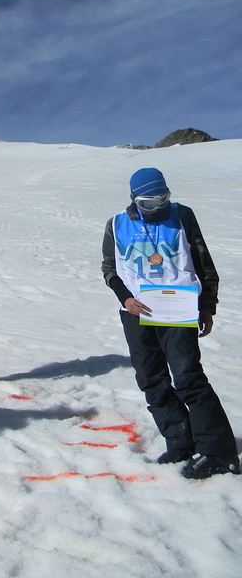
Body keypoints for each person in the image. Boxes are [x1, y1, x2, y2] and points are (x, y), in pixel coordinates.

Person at [102, 167, 239, 479]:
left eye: (163, 199)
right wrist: (125, 299)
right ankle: (180, 442)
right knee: (151, 379)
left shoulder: (182, 216)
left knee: (188, 377)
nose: (157, 207)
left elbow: (204, 261)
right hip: (138, 313)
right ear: (134, 199)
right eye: (149, 203)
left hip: (179, 309)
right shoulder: (117, 223)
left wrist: (207, 307)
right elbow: (109, 267)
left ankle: (219, 451)